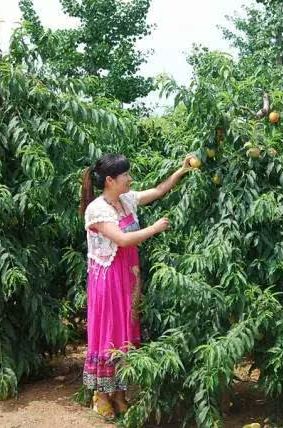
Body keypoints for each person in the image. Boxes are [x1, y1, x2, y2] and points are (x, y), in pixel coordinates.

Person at [78, 153, 194, 419]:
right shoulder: (98, 209)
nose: (130, 179)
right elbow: (122, 239)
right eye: (125, 175)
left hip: (129, 275)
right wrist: (154, 228)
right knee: (110, 329)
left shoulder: (125, 200)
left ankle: (119, 392)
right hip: (108, 277)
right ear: (110, 180)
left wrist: (181, 170)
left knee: (126, 328)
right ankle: (102, 393)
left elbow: (157, 191)